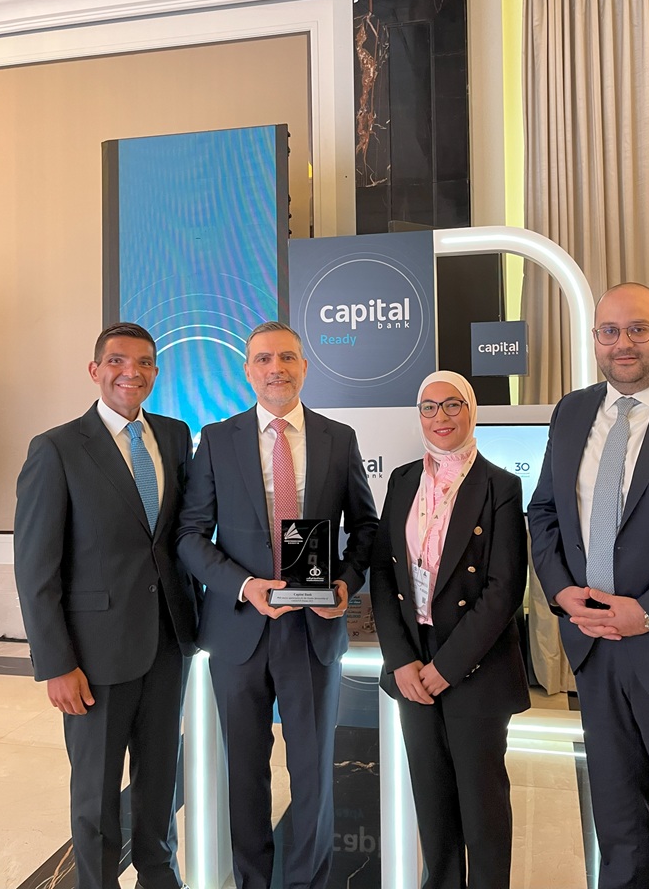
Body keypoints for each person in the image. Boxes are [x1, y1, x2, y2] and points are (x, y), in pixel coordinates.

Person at [528, 282, 649, 889]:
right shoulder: (571, 411)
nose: (623, 343)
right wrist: (561, 592)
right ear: (595, 339)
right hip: (595, 648)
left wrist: (647, 612)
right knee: (617, 825)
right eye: (610, 331)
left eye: (638, 329)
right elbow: (544, 513)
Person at [177, 320, 378, 889]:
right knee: (244, 775)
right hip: (239, 631)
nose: (276, 369)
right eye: (263, 359)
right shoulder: (217, 439)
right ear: (247, 371)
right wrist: (245, 585)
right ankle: (252, 882)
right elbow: (190, 535)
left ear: (304, 367)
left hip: (312, 632)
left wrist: (345, 585)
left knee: (313, 777)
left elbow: (366, 527)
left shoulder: (338, 438)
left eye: (287, 357)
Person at [14, 322, 198, 889]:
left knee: (160, 780)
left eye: (143, 363)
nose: (130, 372)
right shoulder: (57, 448)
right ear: (95, 370)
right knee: (95, 795)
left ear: (155, 374)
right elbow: (35, 569)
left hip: (168, 641)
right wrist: (56, 663)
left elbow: (178, 536)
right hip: (92, 658)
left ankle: (158, 876)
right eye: (117, 361)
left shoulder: (174, 435)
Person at [370, 370, 530, 889]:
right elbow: (383, 574)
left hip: (472, 662)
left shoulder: (500, 486)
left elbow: (504, 590)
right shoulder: (401, 481)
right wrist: (401, 660)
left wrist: (447, 667)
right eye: (429, 407)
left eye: (452, 404)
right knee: (432, 803)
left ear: (471, 410)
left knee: (482, 807)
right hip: (413, 662)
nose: (441, 417)